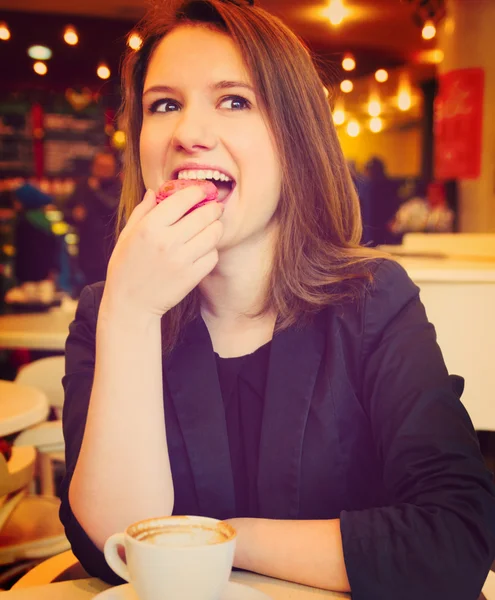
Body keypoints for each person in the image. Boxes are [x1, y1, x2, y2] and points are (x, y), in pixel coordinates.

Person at [60, 1, 495, 598]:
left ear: (295, 139)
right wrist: (132, 316)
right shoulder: (108, 314)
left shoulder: (374, 302)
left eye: (234, 100)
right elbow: (112, 550)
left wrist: (226, 539)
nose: (188, 132)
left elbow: (452, 541)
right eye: (164, 104)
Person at [63, 150, 121, 288]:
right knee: (90, 291)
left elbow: (114, 208)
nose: (103, 171)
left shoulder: (119, 186)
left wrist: (95, 191)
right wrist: (74, 214)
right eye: (99, 166)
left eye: (107, 167)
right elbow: (65, 212)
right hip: (87, 250)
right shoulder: (83, 185)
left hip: (112, 249)